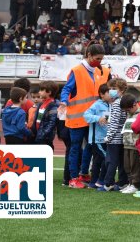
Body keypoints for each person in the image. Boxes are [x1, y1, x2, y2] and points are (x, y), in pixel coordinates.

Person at [59, 42, 111, 189]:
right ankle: (73, 178)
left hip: (93, 119)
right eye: (97, 58)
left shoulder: (101, 71)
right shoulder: (77, 71)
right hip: (76, 118)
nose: (99, 62)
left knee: (89, 147)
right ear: (89, 55)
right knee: (75, 148)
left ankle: (83, 174)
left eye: (101, 59)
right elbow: (66, 89)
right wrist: (63, 102)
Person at [100, 79, 130, 192]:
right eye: (110, 89)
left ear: (121, 90)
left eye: (114, 89)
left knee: (111, 161)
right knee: (122, 162)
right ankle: (122, 182)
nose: (111, 91)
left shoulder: (117, 103)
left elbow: (115, 122)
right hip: (122, 137)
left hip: (115, 138)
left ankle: (108, 184)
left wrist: (109, 136)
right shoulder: (123, 101)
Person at [83, 84, 111, 190]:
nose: (111, 94)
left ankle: (95, 182)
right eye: (109, 92)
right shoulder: (96, 105)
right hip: (97, 139)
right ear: (102, 94)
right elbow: (86, 115)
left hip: (106, 137)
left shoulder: (111, 105)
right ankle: (99, 181)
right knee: (104, 158)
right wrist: (98, 118)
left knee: (98, 160)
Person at [121, 91, 140, 196]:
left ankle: (136, 184)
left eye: (128, 109)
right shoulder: (129, 114)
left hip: (135, 144)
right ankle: (130, 183)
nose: (127, 111)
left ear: (135, 104)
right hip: (126, 143)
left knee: (135, 166)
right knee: (127, 166)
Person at [34, 81, 59, 148]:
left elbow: (52, 123)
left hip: (45, 138)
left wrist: (43, 135)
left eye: (42, 90)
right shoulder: (41, 104)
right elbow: (37, 120)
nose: (39, 92)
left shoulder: (53, 105)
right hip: (38, 136)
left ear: (49, 92)